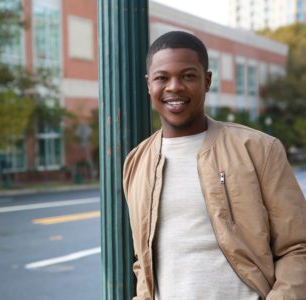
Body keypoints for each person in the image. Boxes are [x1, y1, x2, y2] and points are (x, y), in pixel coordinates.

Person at [122, 31, 306, 300]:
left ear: (207, 81)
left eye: (188, 76)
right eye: (162, 77)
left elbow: (297, 247)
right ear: (149, 85)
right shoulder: (136, 162)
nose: (174, 87)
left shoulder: (259, 149)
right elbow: (144, 262)